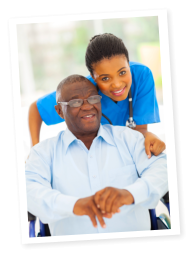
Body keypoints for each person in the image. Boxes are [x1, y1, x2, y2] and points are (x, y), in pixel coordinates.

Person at [26, 75, 168, 236]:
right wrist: (73, 205)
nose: (87, 106)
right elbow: (29, 191)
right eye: (76, 102)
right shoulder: (43, 153)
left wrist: (130, 194)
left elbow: (162, 170)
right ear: (59, 111)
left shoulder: (129, 138)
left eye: (93, 98)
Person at [28, 33, 166, 158]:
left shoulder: (141, 76)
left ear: (128, 65)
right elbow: (36, 109)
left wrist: (149, 135)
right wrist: (34, 150)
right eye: (105, 78)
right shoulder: (83, 90)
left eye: (122, 72)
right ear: (93, 77)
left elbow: (140, 130)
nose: (117, 84)